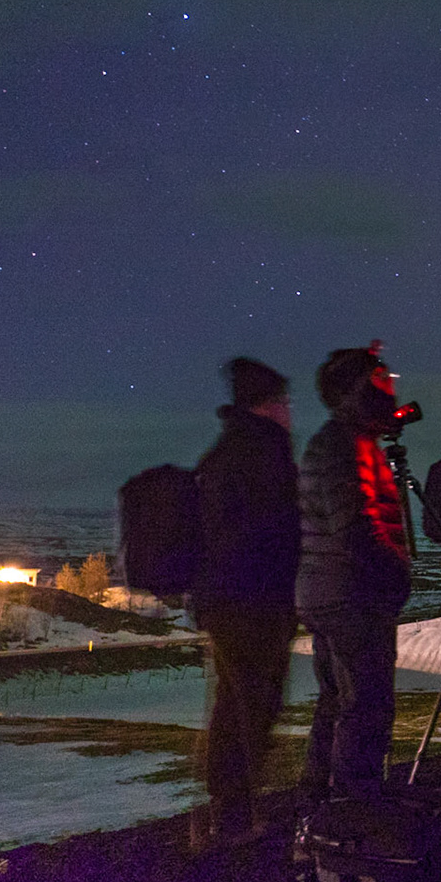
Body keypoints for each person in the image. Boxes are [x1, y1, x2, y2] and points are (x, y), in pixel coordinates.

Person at [189, 357, 300, 850]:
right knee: (252, 705)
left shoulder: (227, 451)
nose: (290, 410)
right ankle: (233, 819)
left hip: (228, 601)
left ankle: (227, 813)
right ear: (267, 405)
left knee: (235, 705)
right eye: (284, 401)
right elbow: (277, 529)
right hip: (253, 601)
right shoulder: (262, 452)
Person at [296, 343, 413, 799]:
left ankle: (320, 805)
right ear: (354, 391)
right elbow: (356, 527)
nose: (389, 392)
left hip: (334, 591)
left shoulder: (344, 440)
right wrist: (393, 576)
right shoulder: (345, 446)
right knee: (367, 707)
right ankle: (354, 806)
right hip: (351, 595)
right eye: (380, 383)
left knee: (338, 703)